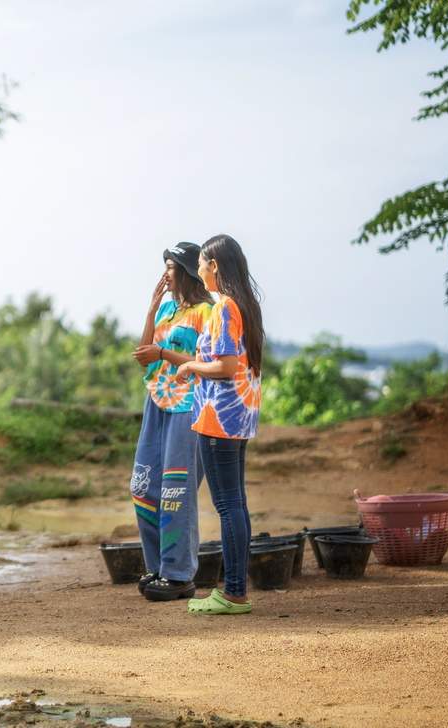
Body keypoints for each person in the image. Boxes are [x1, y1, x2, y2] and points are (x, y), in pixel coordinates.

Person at [174, 234, 264, 615]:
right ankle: (236, 589)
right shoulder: (244, 305)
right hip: (237, 417)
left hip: (219, 419)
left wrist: (190, 365)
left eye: (200, 265)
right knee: (236, 504)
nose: (197, 271)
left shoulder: (224, 308)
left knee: (227, 505)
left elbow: (225, 367)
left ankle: (233, 592)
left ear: (214, 266)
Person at [129, 242, 213, 602]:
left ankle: (179, 576)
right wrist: (150, 309)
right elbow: (141, 355)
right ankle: (158, 567)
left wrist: (164, 353)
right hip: (157, 401)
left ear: (189, 272)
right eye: (165, 265)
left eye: (173, 266)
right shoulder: (165, 307)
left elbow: (207, 362)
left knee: (175, 492)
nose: (166, 272)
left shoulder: (208, 313)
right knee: (143, 486)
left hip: (189, 405)